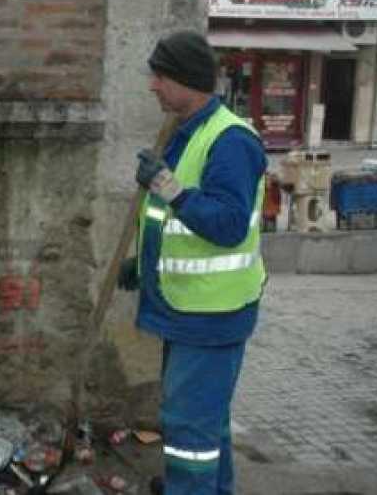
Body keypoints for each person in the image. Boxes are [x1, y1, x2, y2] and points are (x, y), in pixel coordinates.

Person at [118, 31, 267, 495]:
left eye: (160, 76)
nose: (152, 85)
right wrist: (143, 265)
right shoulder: (186, 131)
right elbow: (170, 222)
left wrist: (168, 186)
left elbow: (228, 224)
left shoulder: (230, 141)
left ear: (187, 80)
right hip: (188, 310)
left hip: (211, 315)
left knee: (188, 432)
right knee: (208, 422)